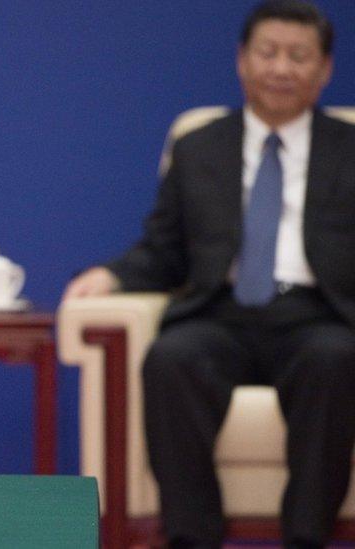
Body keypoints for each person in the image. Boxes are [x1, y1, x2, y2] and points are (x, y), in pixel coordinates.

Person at [63, 1, 355, 547]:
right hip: (221, 311)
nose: (281, 68)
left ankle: (306, 537)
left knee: (336, 359)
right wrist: (113, 276)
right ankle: (192, 537)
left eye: (298, 55)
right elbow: (165, 249)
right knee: (172, 358)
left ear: (325, 70)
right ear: (243, 61)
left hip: (318, 315)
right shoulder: (199, 147)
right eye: (268, 52)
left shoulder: (350, 149)